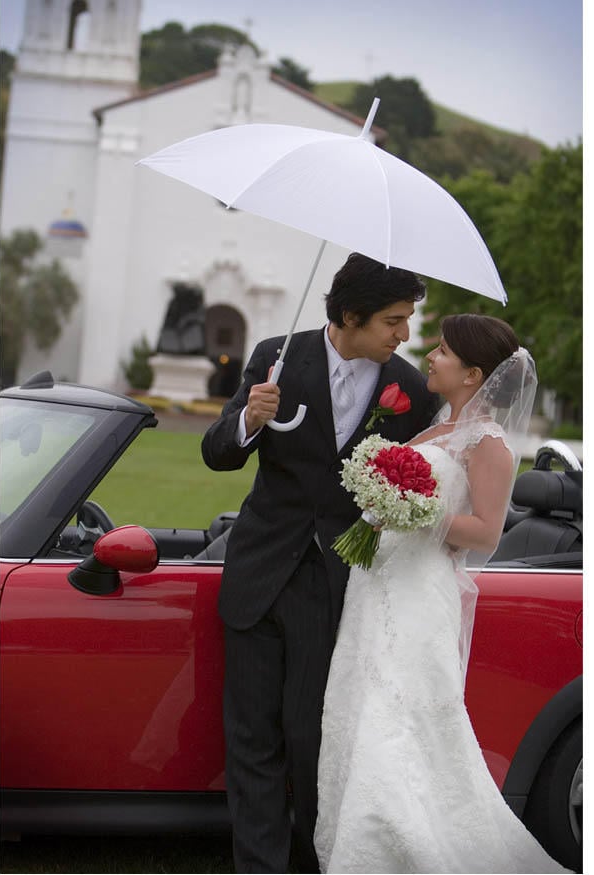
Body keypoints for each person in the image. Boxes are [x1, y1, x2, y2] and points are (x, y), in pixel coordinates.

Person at [201, 252, 441, 873]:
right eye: (393, 320)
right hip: (257, 575)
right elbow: (217, 453)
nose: (403, 334)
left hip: (337, 584)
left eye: (407, 320)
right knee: (251, 740)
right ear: (351, 315)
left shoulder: (410, 390)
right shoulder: (275, 357)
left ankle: (316, 859)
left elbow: (418, 485)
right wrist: (248, 422)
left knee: (312, 738)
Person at [314, 313, 572, 874]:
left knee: (400, 714)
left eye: (446, 352)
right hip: (377, 586)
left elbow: (485, 532)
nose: (431, 355)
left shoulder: (490, 445)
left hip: (418, 598)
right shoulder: (436, 430)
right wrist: (381, 506)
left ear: (474, 373)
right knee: (358, 706)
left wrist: (415, 513)